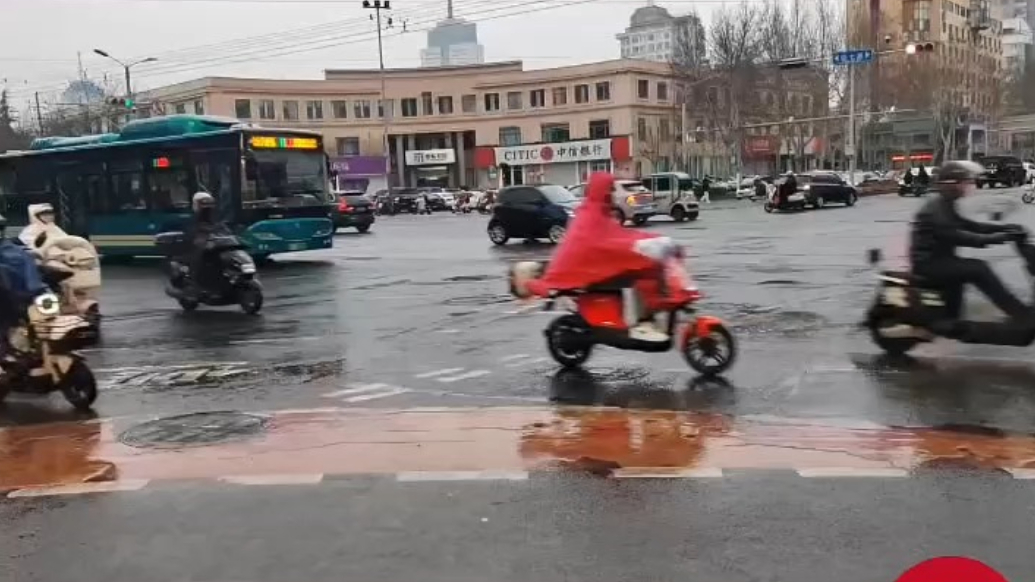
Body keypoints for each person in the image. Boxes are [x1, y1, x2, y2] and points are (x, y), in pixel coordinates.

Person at [514, 172, 677, 342]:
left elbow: (621, 235)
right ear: (604, 192)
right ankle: (644, 324)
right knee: (641, 273)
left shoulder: (598, 212)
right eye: (611, 189)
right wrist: (638, 246)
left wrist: (652, 240)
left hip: (593, 268)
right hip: (588, 273)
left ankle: (647, 319)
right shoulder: (591, 216)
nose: (614, 194)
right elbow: (605, 242)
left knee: (646, 268)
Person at [909, 160, 1029, 333]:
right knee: (978, 268)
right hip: (928, 264)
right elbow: (965, 237)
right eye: (963, 183)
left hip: (938, 260)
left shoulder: (945, 204)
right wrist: (1003, 237)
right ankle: (1020, 314)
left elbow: (971, 226)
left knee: (964, 270)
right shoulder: (936, 210)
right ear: (950, 185)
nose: (966, 187)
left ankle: (950, 321)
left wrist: (1006, 228)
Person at [184, 192, 230, 288]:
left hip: (214, 244)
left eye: (209, 204)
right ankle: (194, 283)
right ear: (196, 204)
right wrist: (205, 234)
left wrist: (226, 233)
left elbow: (221, 227)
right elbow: (193, 231)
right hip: (199, 245)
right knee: (199, 258)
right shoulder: (193, 218)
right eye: (204, 204)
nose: (207, 207)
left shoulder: (215, 216)